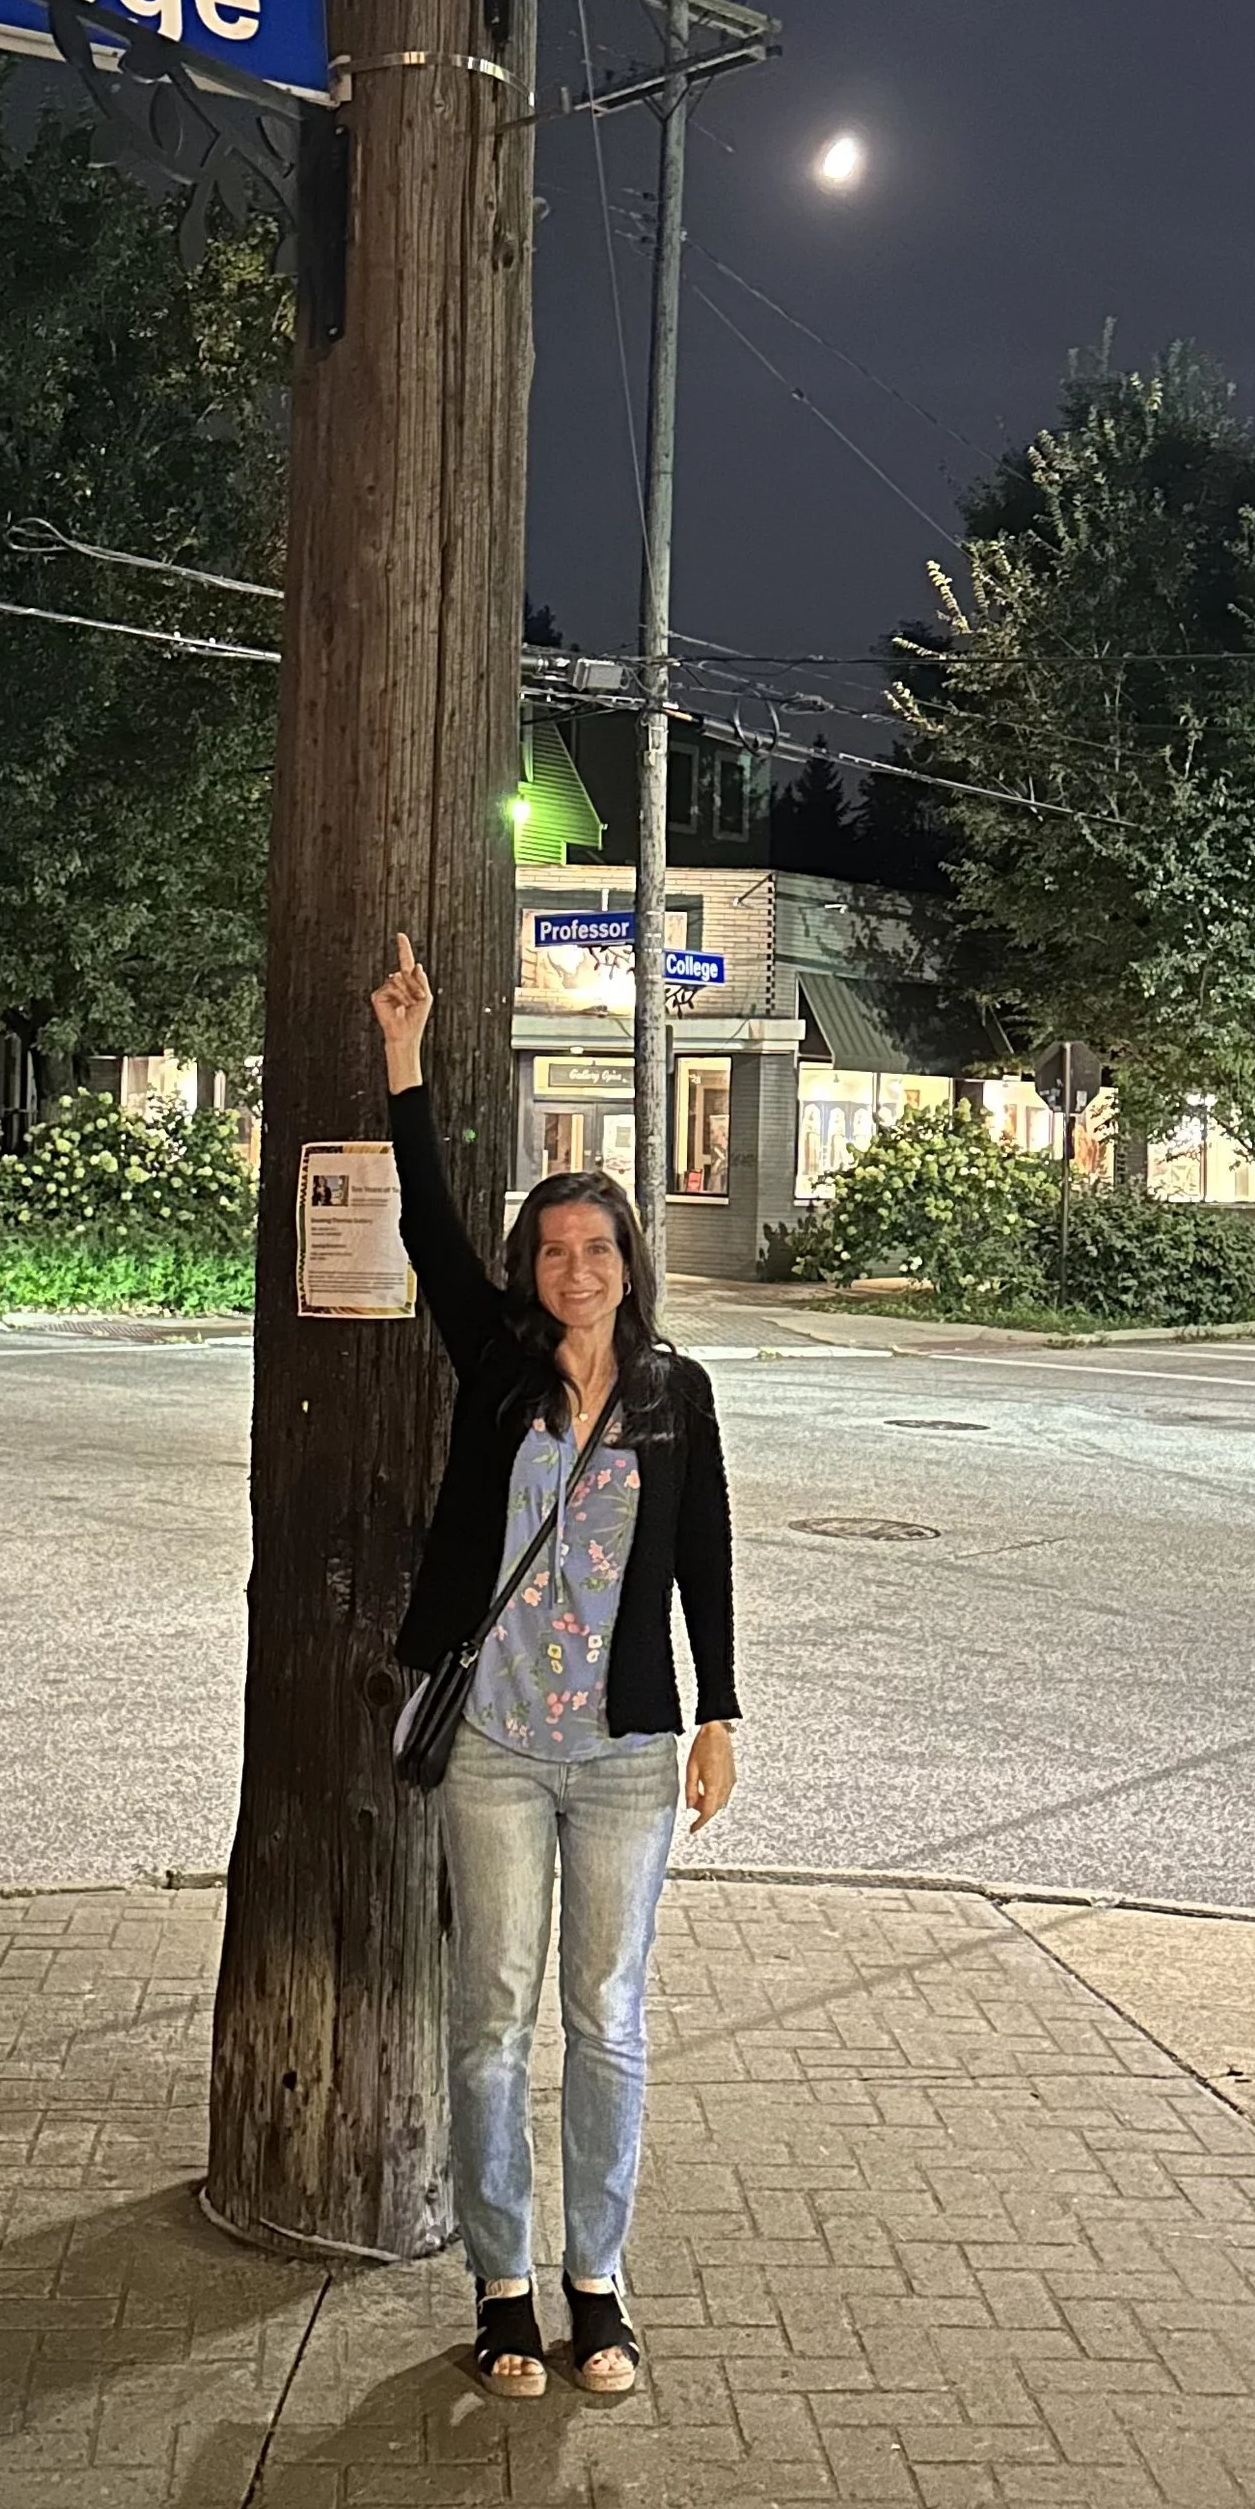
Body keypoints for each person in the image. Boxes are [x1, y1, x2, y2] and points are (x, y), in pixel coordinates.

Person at [373, 932, 738, 2402]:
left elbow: (705, 1557)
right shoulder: (500, 1365)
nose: (574, 1267)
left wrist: (719, 1708)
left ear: (629, 1265)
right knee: (489, 2014)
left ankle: (600, 2278)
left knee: (608, 2018)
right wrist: (404, 1052)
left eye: (599, 1248)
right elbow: (428, 1227)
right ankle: (503, 2283)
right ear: (532, 1267)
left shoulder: (675, 1393)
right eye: (553, 1248)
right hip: (498, 1747)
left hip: (628, 1752)